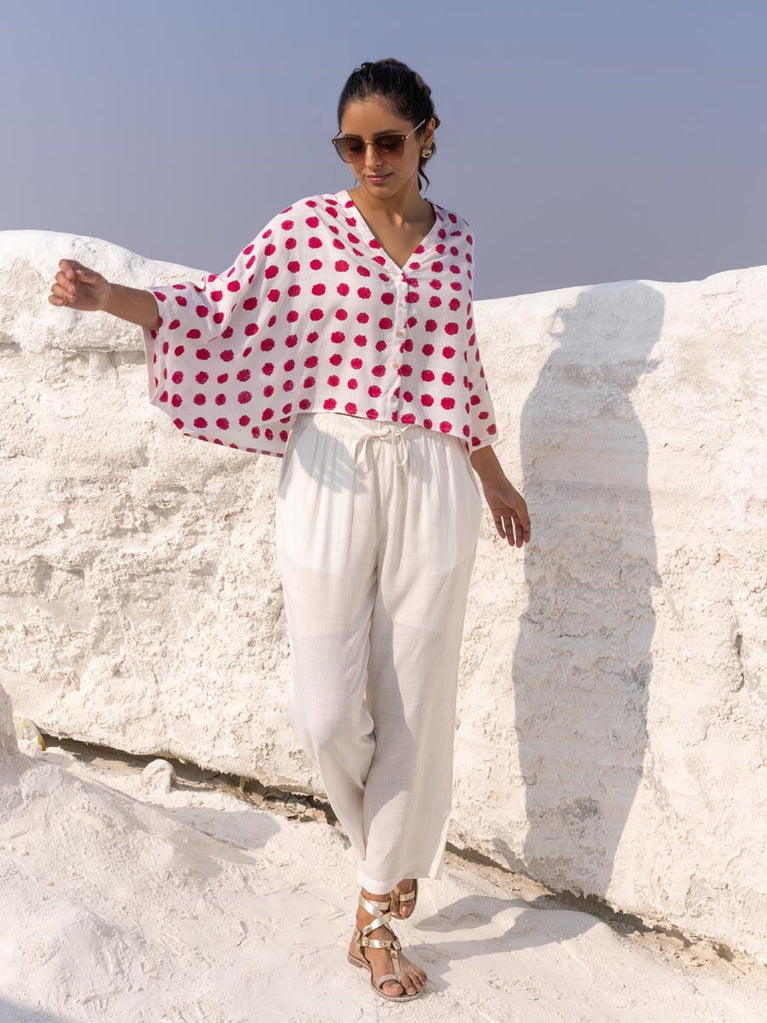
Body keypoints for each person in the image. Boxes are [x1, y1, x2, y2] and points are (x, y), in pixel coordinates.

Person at [48, 57, 531, 1003]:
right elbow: (217, 306)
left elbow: (458, 364)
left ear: (427, 136)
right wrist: (112, 299)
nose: (369, 159)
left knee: (415, 693)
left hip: (434, 472)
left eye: (387, 141)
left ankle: (375, 908)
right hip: (329, 467)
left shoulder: (457, 239)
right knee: (325, 709)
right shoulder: (306, 227)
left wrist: (491, 472)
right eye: (351, 145)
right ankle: (383, 846)